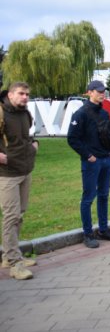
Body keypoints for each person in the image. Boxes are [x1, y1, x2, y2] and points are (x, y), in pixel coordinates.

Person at [68, 80, 110, 248]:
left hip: (106, 159)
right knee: (88, 197)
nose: (102, 93)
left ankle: (104, 229)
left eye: (103, 91)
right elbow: (72, 139)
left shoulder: (105, 112)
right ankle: (88, 233)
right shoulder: (80, 114)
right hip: (92, 162)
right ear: (89, 92)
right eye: (98, 91)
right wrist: (88, 155)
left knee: (104, 195)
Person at [0, 82, 38, 279]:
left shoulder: (24, 113)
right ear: (10, 94)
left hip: (25, 169)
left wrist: (34, 144)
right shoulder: (2, 113)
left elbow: (25, 137)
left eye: (27, 94)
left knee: (20, 214)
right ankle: (14, 263)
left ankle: (10, 255)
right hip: (6, 174)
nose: (25, 97)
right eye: (21, 94)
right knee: (11, 216)